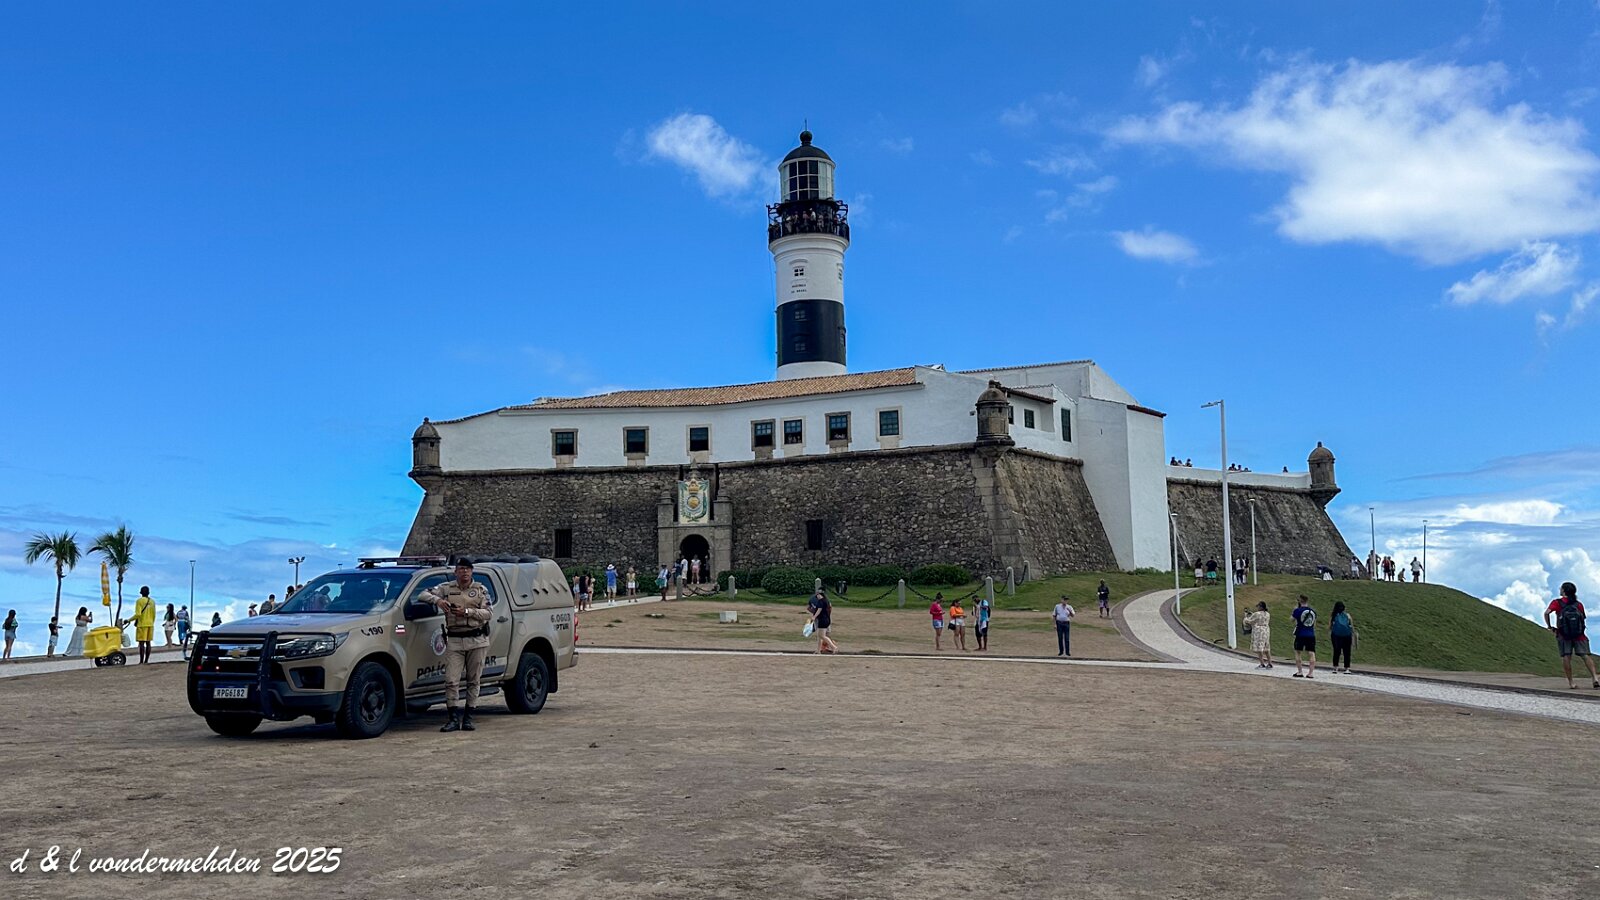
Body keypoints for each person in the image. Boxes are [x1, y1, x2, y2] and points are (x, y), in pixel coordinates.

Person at [417, 559, 493, 732]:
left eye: (467, 569)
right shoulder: (446, 588)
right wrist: (438, 601)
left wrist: (467, 612)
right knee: (451, 680)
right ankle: (452, 719)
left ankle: (468, 718)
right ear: (455, 572)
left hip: (477, 639)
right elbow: (422, 595)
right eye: (461, 569)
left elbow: (488, 613)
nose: (464, 572)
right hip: (455, 639)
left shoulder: (480, 590)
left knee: (474, 680)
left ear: (472, 571)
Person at [1544, 581, 1600, 690]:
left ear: (1564, 591)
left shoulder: (1557, 602)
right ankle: (1595, 678)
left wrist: (1550, 626)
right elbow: (1583, 618)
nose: (1559, 590)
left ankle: (1571, 683)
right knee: (1585, 656)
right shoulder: (1578, 604)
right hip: (1579, 635)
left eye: (1561, 588)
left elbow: (1546, 613)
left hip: (1563, 635)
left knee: (1566, 656)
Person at [1290, 595, 1317, 678]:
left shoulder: (1297, 610)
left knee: (1298, 652)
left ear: (1299, 601)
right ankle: (1311, 673)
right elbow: (1314, 623)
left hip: (1300, 634)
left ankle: (1300, 671)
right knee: (1311, 653)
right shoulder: (1312, 611)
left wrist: (1294, 610)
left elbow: (1291, 620)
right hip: (1311, 634)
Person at [1242, 601, 1272, 668]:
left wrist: (1245, 617)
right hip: (1266, 630)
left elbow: (1250, 621)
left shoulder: (1257, 614)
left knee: (1259, 647)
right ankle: (1270, 663)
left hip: (1259, 631)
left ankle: (1262, 663)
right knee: (1266, 646)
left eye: (1258, 606)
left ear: (1261, 607)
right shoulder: (1267, 614)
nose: (1257, 607)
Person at [807, 589, 837, 654]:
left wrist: (814, 617)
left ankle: (833, 647)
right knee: (821, 635)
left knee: (821, 635)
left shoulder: (820, 601)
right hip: (827, 619)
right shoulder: (826, 601)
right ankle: (819, 650)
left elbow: (819, 610)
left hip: (822, 620)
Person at [1329, 601, 1355, 673]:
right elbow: (1351, 626)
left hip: (1336, 635)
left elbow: (1330, 626)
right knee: (1347, 652)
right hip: (1347, 635)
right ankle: (1347, 668)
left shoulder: (1333, 615)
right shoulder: (1348, 615)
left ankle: (1335, 667)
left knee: (1336, 651)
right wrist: (1352, 633)